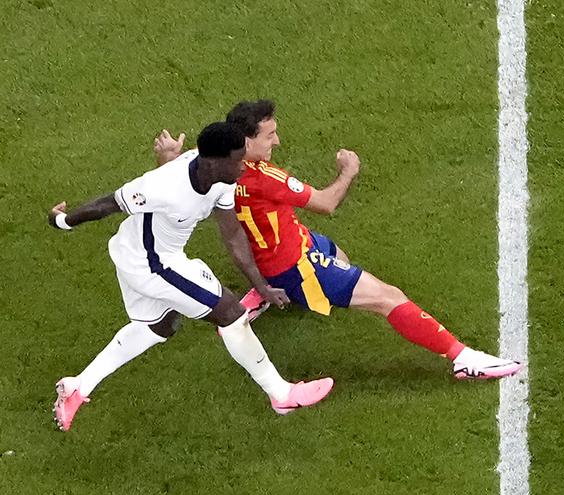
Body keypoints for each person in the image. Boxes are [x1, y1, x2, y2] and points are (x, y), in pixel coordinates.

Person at [153, 99, 523, 380]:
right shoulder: (266, 178)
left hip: (288, 243)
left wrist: (167, 160)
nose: (277, 140)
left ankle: (262, 293)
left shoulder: (212, 162)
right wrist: (348, 172)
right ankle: (464, 359)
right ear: (247, 140)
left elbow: (178, 183)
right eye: (269, 135)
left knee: (340, 258)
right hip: (294, 266)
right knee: (386, 297)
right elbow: (327, 203)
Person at [48, 122, 334, 431]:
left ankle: (78, 387)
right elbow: (107, 204)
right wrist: (62, 221)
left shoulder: (223, 178)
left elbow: (233, 236)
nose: (243, 166)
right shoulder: (161, 186)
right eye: (237, 160)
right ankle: (282, 394)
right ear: (213, 161)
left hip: (142, 256)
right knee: (231, 313)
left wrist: (260, 286)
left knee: (158, 326)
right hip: (152, 264)